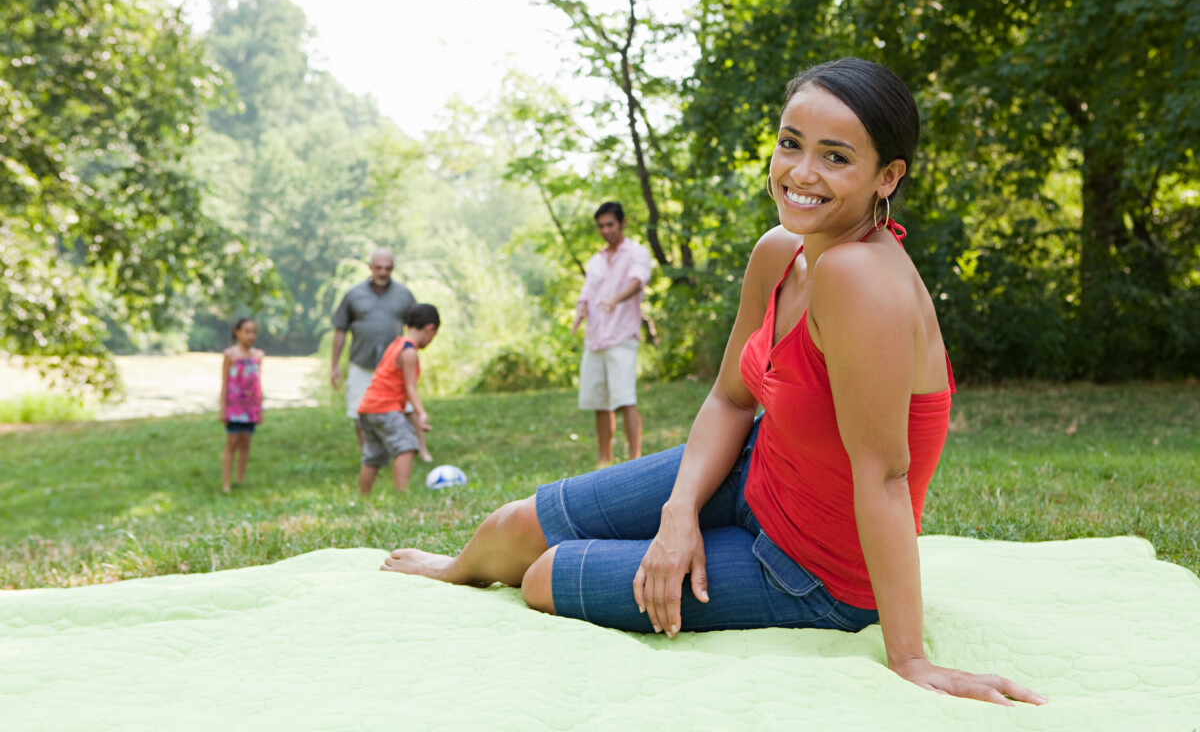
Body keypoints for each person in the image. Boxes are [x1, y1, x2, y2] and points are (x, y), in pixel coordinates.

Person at [379, 59, 1046, 706]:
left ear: (886, 176)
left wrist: (909, 657)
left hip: (815, 571)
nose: (800, 173)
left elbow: (885, 477)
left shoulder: (861, 279)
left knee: (545, 576)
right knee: (512, 527)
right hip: (755, 472)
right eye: (791, 144)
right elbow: (731, 398)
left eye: (836, 157)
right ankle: (452, 571)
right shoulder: (779, 252)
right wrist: (678, 516)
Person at [571, 202, 653, 467]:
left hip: (621, 336)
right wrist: (580, 312)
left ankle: (634, 459)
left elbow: (637, 281)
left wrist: (615, 299)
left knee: (625, 398)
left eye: (610, 224)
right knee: (600, 401)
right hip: (595, 338)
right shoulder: (596, 260)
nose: (605, 230)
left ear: (622, 223)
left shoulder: (636, 253)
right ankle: (604, 459)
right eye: (601, 226)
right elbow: (587, 293)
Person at [330, 249, 421, 457]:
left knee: (403, 410)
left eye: (388, 268)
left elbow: (416, 329)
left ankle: (406, 451)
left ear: (393, 269)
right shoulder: (354, 294)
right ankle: (369, 455)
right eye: (378, 268)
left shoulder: (404, 295)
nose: (383, 272)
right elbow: (340, 330)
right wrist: (334, 366)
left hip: (393, 367)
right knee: (359, 412)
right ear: (370, 267)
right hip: (362, 363)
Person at [356, 304, 440, 494]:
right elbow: (410, 387)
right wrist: (421, 413)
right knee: (407, 446)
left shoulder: (397, 344)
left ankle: (364, 495)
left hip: (368, 407)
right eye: (433, 335)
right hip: (385, 407)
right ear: (429, 329)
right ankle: (401, 493)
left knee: (373, 455)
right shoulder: (409, 352)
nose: (431, 340)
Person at [219, 317, 263, 493]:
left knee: (246, 442)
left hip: (251, 406)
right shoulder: (230, 355)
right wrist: (223, 407)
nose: (251, 335)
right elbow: (224, 383)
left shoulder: (258, 356)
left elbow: (258, 383)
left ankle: (239, 480)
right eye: (247, 331)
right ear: (237, 332)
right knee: (232, 443)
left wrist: (260, 408)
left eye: (253, 332)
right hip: (234, 406)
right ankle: (226, 483)